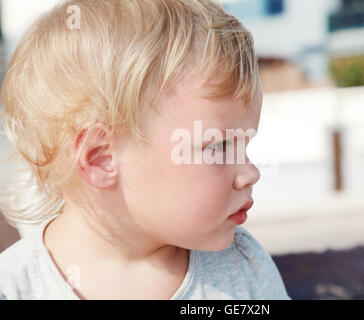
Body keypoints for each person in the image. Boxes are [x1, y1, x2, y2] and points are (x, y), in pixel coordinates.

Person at [0, 0, 291, 300]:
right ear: (101, 158)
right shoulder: (14, 288)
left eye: (244, 144)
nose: (250, 173)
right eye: (218, 147)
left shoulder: (242, 267)